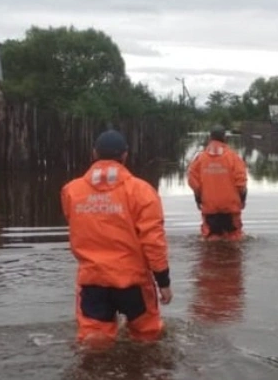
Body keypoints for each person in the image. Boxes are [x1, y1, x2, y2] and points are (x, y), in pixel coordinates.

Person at [61, 129, 173, 348]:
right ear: (125, 156)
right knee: (148, 339)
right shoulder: (142, 191)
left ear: (94, 153)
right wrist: (164, 282)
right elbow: (153, 242)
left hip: (92, 281)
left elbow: (76, 225)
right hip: (133, 282)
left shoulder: (71, 191)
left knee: (94, 343)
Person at [186, 125, 249, 240]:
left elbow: (192, 181)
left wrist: (198, 199)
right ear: (225, 138)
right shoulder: (234, 157)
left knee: (210, 240)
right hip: (231, 207)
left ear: (210, 138)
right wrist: (243, 200)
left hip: (209, 207)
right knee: (234, 239)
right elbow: (241, 183)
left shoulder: (200, 158)